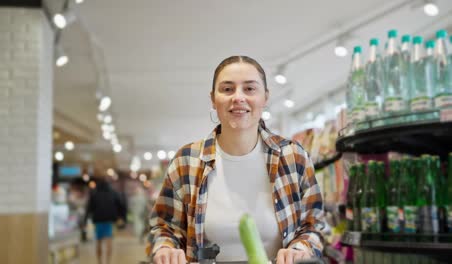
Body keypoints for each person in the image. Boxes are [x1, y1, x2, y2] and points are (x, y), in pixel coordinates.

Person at [147, 56, 324, 264]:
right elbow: (164, 227)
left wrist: (300, 248)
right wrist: (166, 248)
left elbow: (313, 225)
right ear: (213, 99)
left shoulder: (293, 157)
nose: (238, 97)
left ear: (265, 98)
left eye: (249, 89)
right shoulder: (186, 161)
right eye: (227, 89)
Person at [84, 178, 124, 264]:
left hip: (98, 220)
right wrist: (121, 216)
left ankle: (99, 262)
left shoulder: (94, 193)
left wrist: (85, 220)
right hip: (109, 220)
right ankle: (108, 261)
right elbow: (120, 204)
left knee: (98, 241)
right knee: (109, 241)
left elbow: (89, 208)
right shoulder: (113, 193)